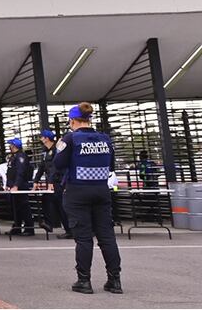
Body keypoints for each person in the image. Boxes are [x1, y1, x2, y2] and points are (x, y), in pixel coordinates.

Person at [54, 102, 122, 295]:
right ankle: (115, 280)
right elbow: (111, 165)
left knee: (83, 238)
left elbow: (58, 163)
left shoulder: (70, 138)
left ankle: (84, 281)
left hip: (77, 191)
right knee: (107, 237)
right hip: (101, 190)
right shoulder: (105, 139)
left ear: (73, 120)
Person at [36, 130, 72, 238]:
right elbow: (42, 167)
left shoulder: (57, 149)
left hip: (58, 181)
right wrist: (36, 181)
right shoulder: (45, 151)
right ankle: (49, 224)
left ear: (47, 138)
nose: (41, 139)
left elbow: (56, 167)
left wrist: (51, 181)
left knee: (61, 205)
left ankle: (69, 230)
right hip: (51, 181)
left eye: (42, 137)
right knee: (47, 200)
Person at [5, 138, 35, 236]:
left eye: (11, 145)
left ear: (14, 146)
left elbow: (20, 172)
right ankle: (17, 227)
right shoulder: (13, 157)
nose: (9, 146)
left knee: (24, 207)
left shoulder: (21, 156)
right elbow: (10, 172)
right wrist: (8, 185)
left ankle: (29, 228)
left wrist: (16, 185)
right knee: (15, 207)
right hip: (13, 186)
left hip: (20, 186)